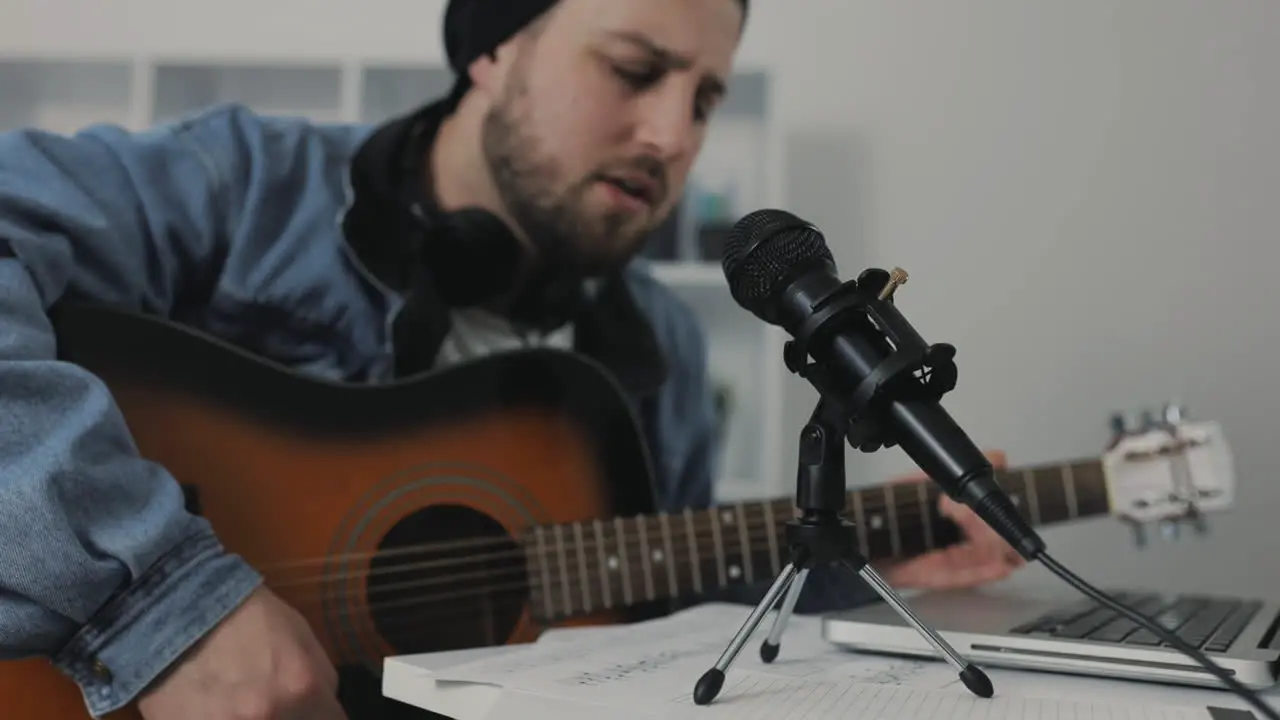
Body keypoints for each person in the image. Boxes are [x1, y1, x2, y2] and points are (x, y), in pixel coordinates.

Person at [0, 0, 1025, 718]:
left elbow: (651, 618)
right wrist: (161, 606)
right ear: (493, 51)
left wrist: (866, 567)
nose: (671, 136)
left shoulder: (655, 349)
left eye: (705, 99)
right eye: (632, 71)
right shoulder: (241, 185)